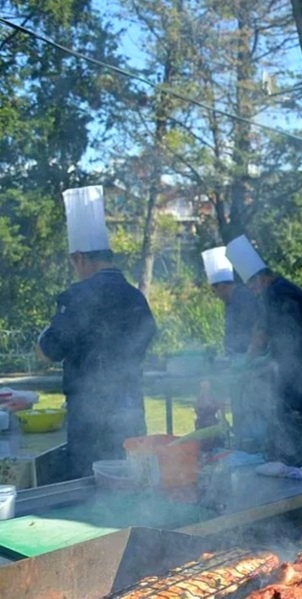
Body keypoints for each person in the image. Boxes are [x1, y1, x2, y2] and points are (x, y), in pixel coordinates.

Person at [37, 186, 157, 479]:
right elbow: (146, 339)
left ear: (79, 257)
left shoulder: (78, 296)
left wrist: (42, 336)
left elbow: (48, 353)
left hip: (90, 417)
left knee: (92, 486)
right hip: (130, 409)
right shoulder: (136, 298)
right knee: (131, 481)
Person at [226, 235, 302, 468]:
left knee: (293, 421)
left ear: (260, 278)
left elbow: (262, 332)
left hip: (295, 372)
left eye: (251, 285)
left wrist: (248, 360)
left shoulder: (274, 293)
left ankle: (300, 472)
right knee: (299, 420)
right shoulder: (287, 288)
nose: (252, 291)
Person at [201, 246, 259, 356]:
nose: (216, 296)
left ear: (222, 286)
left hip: (249, 355)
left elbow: (251, 327)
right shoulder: (229, 300)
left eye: (214, 291)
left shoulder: (243, 296)